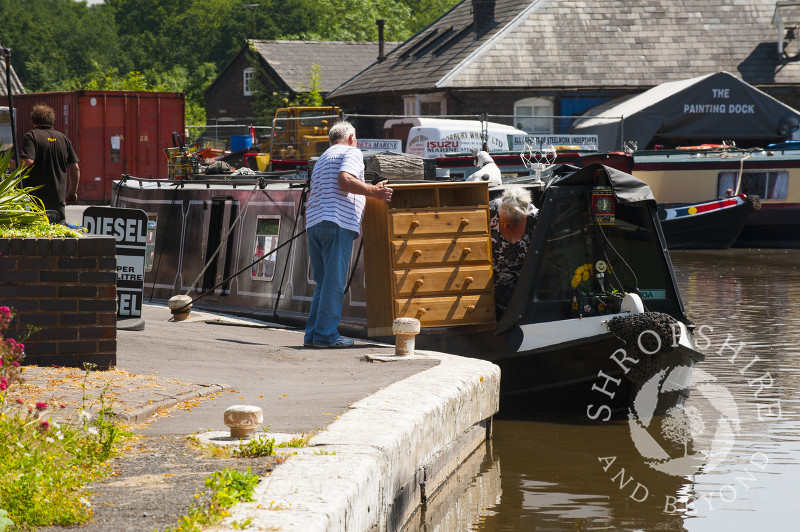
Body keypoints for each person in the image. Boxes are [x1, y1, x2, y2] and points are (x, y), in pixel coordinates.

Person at [304, 121, 392, 348]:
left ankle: (313, 335)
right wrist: (374, 191)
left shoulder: (323, 158)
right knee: (334, 283)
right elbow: (344, 180)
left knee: (323, 283)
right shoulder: (352, 152)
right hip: (336, 223)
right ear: (351, 137)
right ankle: (326, 336)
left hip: (314, 223)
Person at [20, 103, 80, 224]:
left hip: (35, 198)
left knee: (35, 236)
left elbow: (27, 161)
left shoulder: (31, 136)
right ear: (52, 120)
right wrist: (72, 192)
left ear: (33, 120)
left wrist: (7, 164)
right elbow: (75, 168)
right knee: (58, 235)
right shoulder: (63, 138)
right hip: (58, 197)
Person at [489, 185, 538, 318]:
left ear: (523, 217)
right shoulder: (490, 211)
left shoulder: (535, 219)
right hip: (489, 284)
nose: (503, 226)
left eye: (509, 224)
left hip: (521, 286)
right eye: (502, 221)